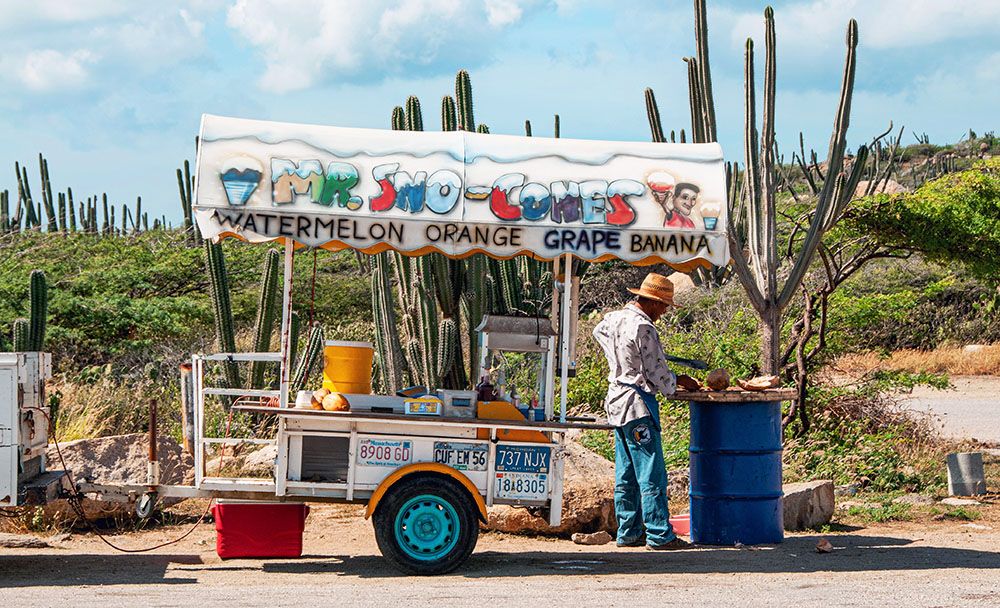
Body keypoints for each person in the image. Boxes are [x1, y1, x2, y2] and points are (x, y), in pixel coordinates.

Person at [592, 272, 693, 550]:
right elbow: (655, 370)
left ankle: (629, 531)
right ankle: (660, 533)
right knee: (651, 471)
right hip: (637, 404)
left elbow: (597, 332)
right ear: (650, 301)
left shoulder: (612, 319)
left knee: (625, 472)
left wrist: (618, 361)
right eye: (662, 305)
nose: (663, 311)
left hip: (616, 400)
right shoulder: (644, 328)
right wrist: (676, 384)